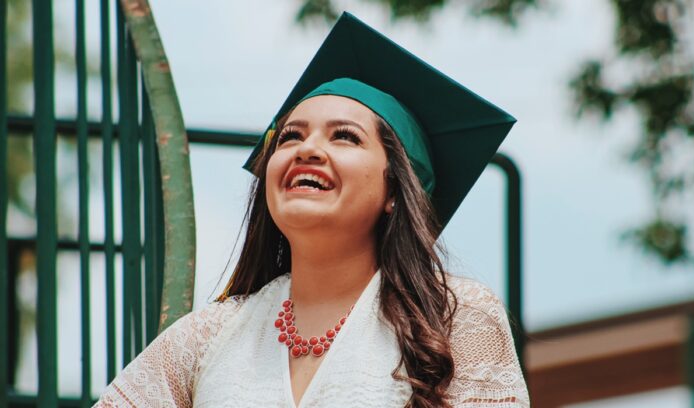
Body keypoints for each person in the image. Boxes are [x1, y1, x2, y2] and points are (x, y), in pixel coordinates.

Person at [94, 12, 530, 408]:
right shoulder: (208, 337)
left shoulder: (455, 318)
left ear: (395, 189)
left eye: (344, 136)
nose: (308, 149)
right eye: (289, 137)